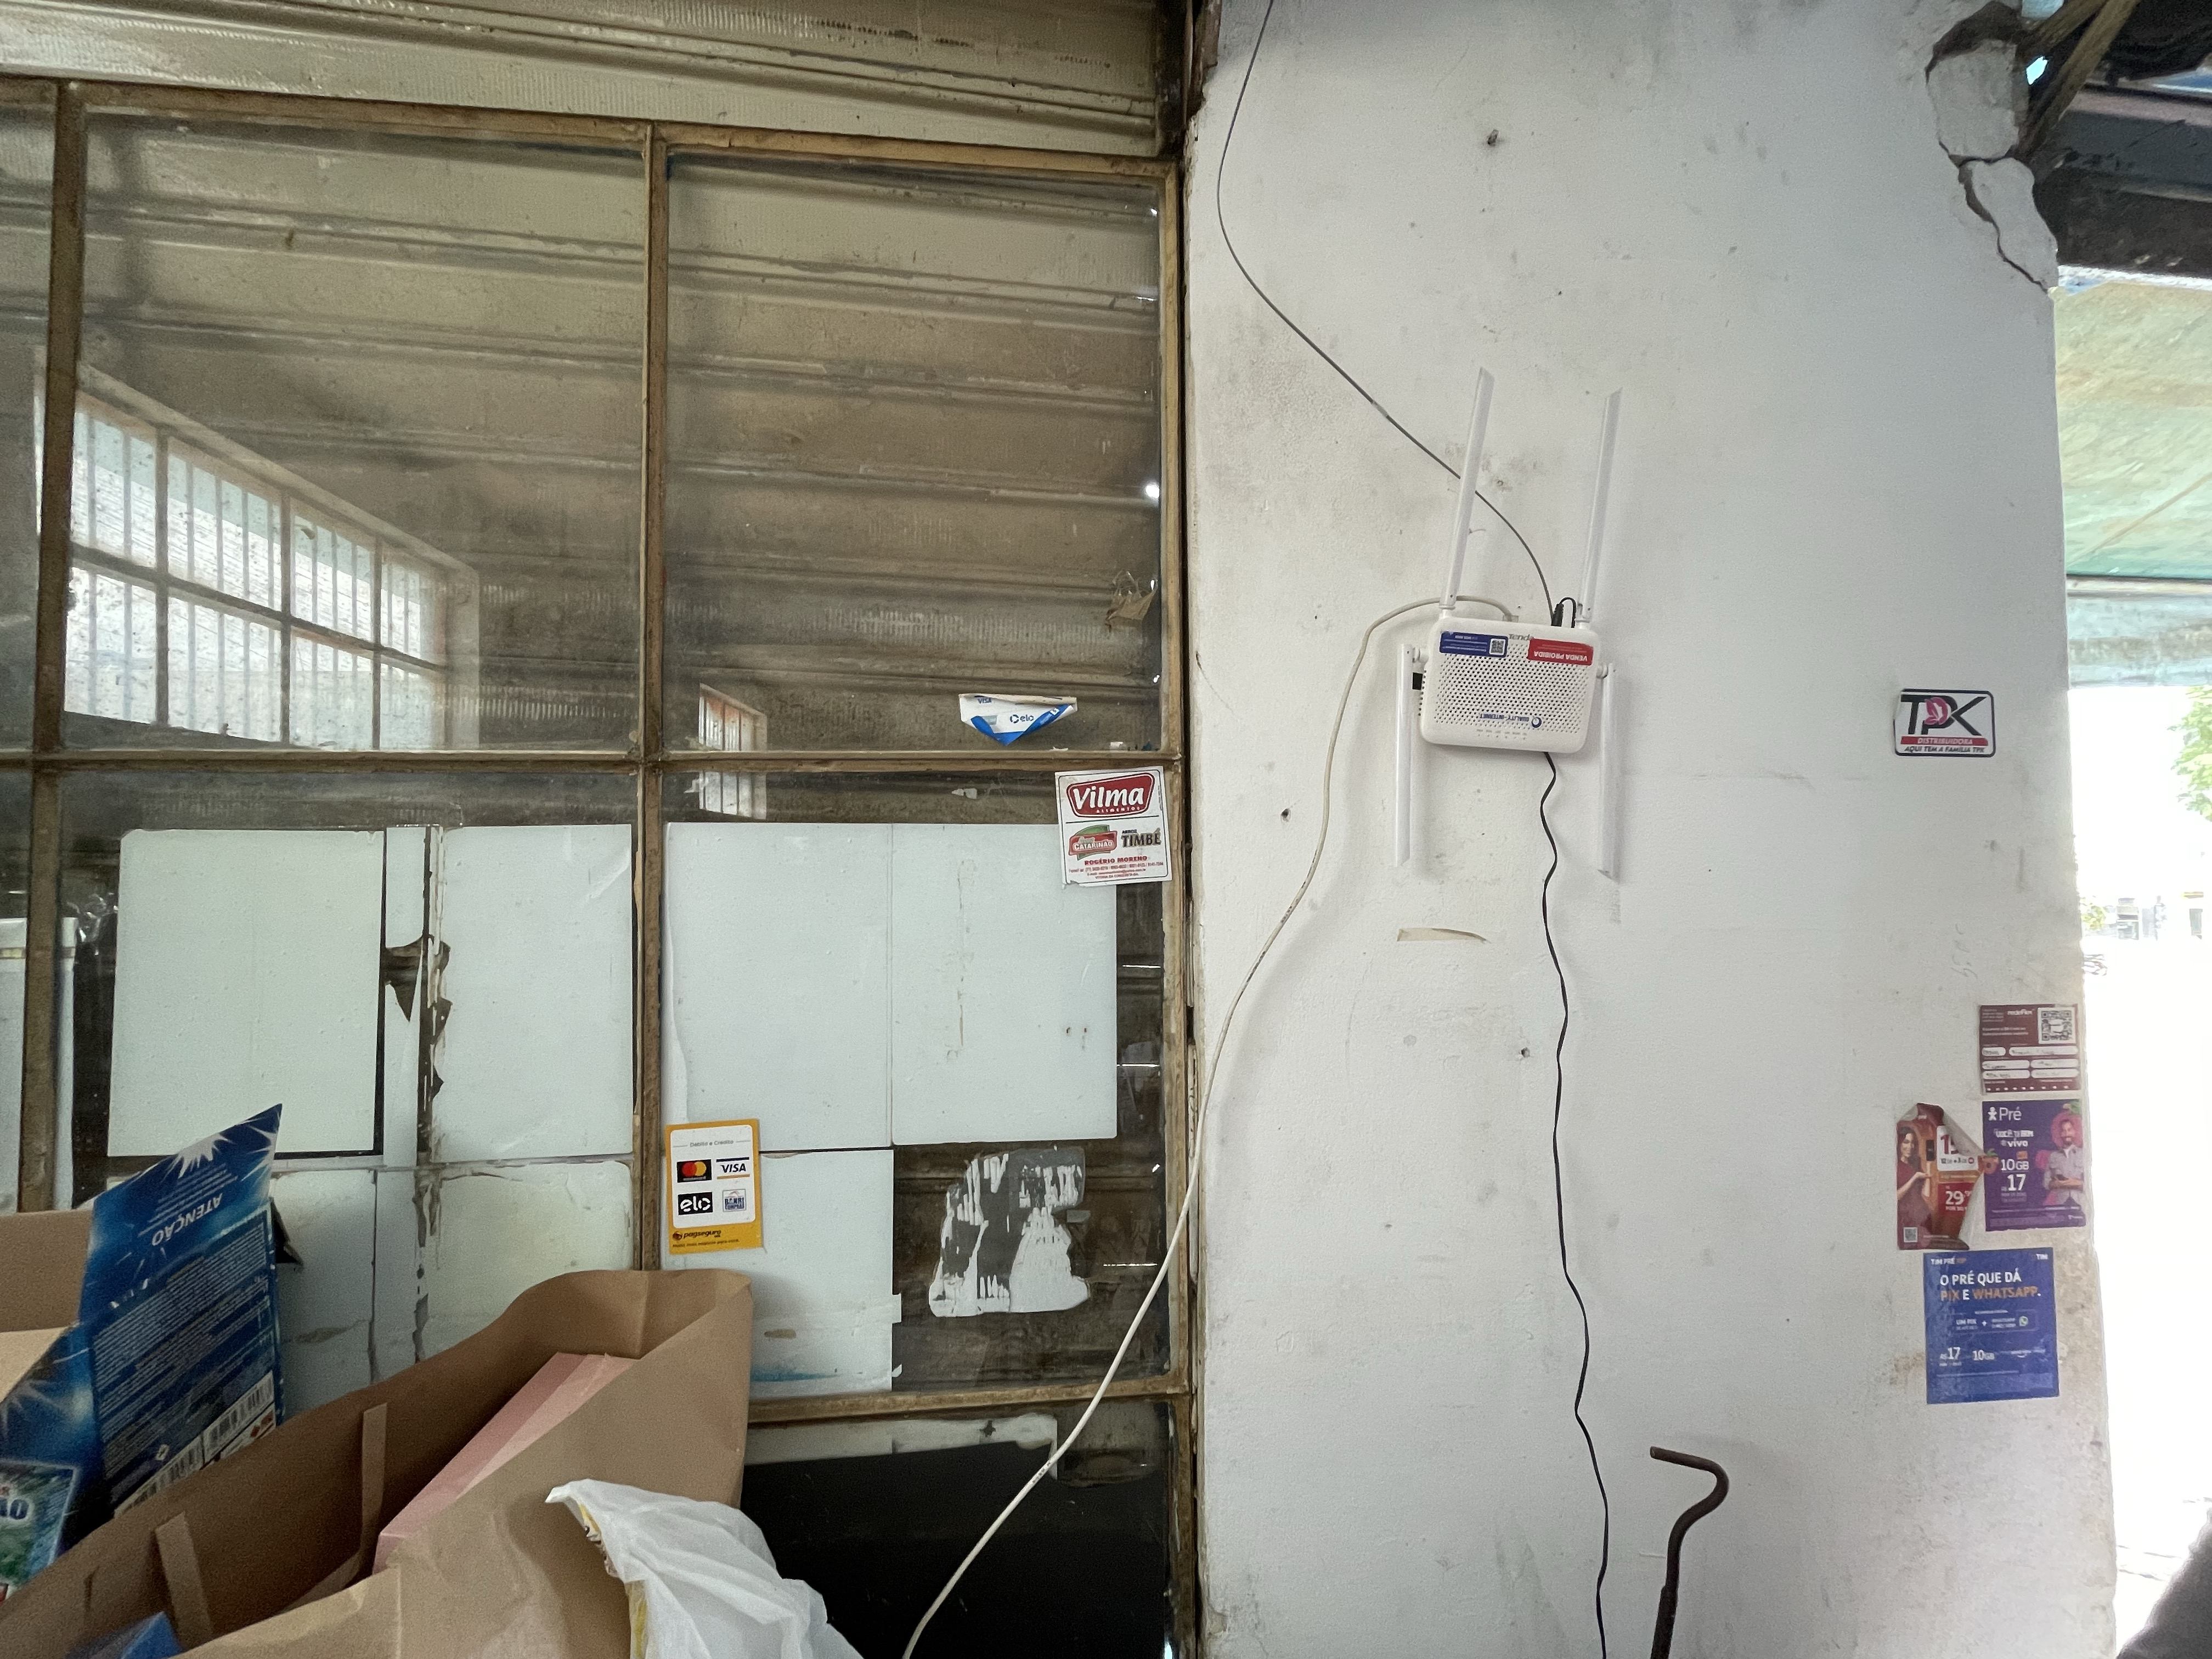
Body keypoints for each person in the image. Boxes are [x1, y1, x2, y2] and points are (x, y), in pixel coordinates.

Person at [2038, 1109, 2086, 1216]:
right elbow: (2047, 1183)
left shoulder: (2084, 1154)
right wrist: (2060, 1184)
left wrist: (2070, 1183)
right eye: (2063, 1131)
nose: (2067, 1134)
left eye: (2069, 1130)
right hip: (2060, 1207)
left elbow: (2091, 1183)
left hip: (2081, 1207)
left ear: (2076, 1131)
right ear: (2059, 1133)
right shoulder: (2053, 1156)